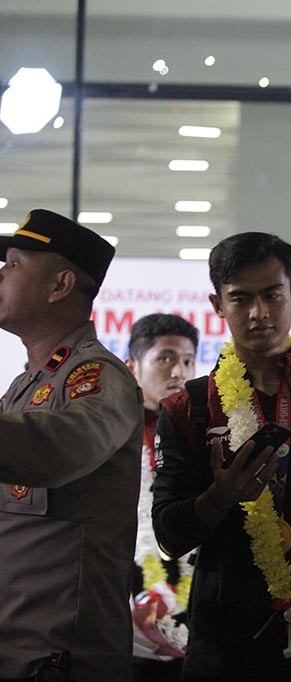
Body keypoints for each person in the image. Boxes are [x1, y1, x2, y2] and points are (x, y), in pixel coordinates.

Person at [152, 233, 291, 681]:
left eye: (272, 295)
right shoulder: (189, 408)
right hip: (225, 638)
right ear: (217, 305)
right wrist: (219, 498)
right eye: (241, 298)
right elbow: (168, 533)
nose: (259, 313)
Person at [0, 209, 143, 681]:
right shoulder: (26, 385)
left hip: (59, 656)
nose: (0, 274)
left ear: (60, 285)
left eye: (14, 264)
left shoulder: (98, 377)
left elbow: (57, 448)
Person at [126, 313, 199, 679]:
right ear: (132, 367)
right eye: (165, 358)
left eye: (187, 361)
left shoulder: (203, 432)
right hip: (123, 606)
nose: (178, 372)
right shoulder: (110, 432)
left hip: (195, 604)